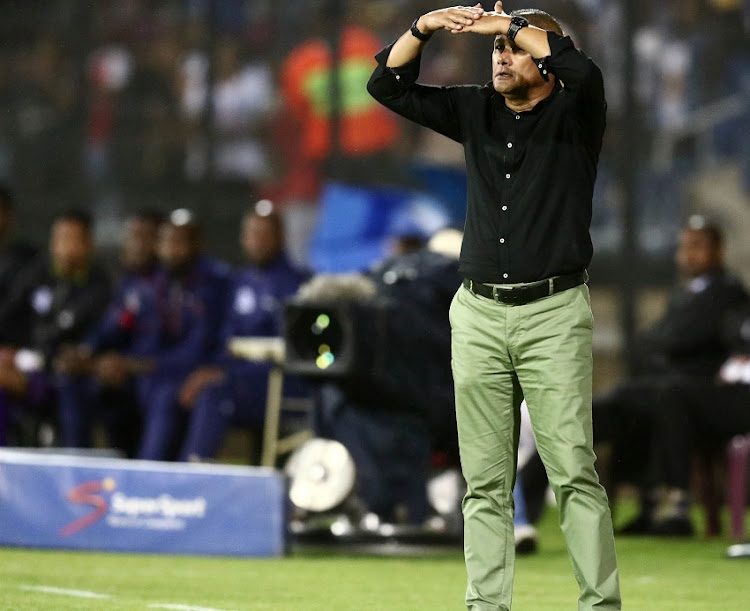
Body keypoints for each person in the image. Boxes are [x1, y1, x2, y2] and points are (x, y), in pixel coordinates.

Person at [367, 3, 620, 609]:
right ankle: (487, 605)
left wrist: (505, 25)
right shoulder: (474, 107)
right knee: (482, 483)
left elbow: (583, 71)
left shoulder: (575, 112)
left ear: (545, 60)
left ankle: (599, 605)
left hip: (553, 313)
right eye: (493, 50)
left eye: (512, 48)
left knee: (574, 473)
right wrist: (424, 27)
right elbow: (387, 85)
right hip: (477, 313)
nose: (499, 56)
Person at [593, 216, 748, 534]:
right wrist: (663, 345)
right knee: (625, 400)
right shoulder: (682, 295)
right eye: (684, 247)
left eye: (698, 246)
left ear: (719, 250)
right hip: (671, 385)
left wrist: (663, 345)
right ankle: (639, 503)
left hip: (706, 396)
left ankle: (675, 504)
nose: (689, 255)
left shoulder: (729, 292)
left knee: (666, 396)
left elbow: (681, 339)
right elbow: (657, 340)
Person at [83, 209, 230, 460]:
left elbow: (197, 350)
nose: (170, 250)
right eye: (166, 242)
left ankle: (150, 473)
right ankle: (104, 465)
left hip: (191, 373)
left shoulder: (211, 284)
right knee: (98, 385)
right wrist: (94, 355)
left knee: (162, 395)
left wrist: (133, 364)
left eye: (178, 243)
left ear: (197, 245)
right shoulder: (159, 283)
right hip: (154, 372)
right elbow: (129, 331)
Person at [178, 201, 308, 461]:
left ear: (280, 237)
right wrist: (210, 370)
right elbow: (228, 340)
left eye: (263, 234)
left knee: (216, 393)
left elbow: (293, 349)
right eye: (250, 234)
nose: (256, 241)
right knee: (178, 389)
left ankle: (191, 470)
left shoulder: (298, 285)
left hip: (279, 381)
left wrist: (225, 375)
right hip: (239, 378)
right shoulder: (239, 281)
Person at [53, 210, 163, 456]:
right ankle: (77, 469)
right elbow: (109, 328)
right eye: (130, 237)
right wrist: (86, 352)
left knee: (146, 395)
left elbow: (164, 347)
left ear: (161, 242)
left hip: (147, 376)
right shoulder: (129, 283)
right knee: (70, 380)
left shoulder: (169, 287)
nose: (132, 245)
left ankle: (142, 475)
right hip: (116, 372)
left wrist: (126, 364)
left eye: (142, 237)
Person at [0, 210, 110, 446]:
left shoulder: (98, 286)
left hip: (66, 374)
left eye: (71, 239)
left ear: (88, 244)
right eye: (59, 239)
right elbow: (9, 317)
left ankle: (73, 467)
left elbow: (91, 338)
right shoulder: (38, 275)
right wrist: (9, 354)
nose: (64, 247)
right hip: (25, 368)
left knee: (70, 387)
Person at [646, 303, 750, 535]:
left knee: (676, 396)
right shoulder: (740, 313)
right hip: (730, 390)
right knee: (671, 399)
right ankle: (672, 499)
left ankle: (675, 499)